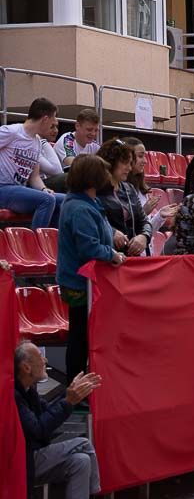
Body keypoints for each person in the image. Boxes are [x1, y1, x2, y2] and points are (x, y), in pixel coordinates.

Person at [15, 343, 125, 499]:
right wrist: (68, 401)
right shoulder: (15, 395)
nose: (45, 361)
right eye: (40, 356)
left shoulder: (30, 391)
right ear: (26, 367)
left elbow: (50, 413)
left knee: (80, 461)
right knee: (83, 444)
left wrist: (70, 396)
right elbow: (38, 429)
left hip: (36, 458)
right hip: (23, 462)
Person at [56, 155, 128, 381]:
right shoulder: (79, 208)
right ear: (92, 177)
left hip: (87, 281)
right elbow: (88, 247)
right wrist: (112, 255)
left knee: (85, 335)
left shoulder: (89, 203)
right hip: (79, 283)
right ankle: (76, 387)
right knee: (80, 336)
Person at [0, 98, 67, 227]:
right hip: (3, 188)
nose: (52, 127)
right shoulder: (12, 132)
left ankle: (53, 242)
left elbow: (34, 177)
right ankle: (37, 244)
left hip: (20, 189)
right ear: (45, 119)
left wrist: (43, 188)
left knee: (65, 200)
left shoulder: (36, 142)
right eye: (52, 123)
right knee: (47, 200)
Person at [96, 139, 153, 257]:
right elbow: (92, 221)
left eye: (130, 163)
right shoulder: (95, 189)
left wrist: (144, 236)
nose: (129, 168)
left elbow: (144, 221)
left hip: (129, 257)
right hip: (107, 255)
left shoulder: (129, 188)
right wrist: (111, 232)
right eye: (125, 163)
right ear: (111, 162)